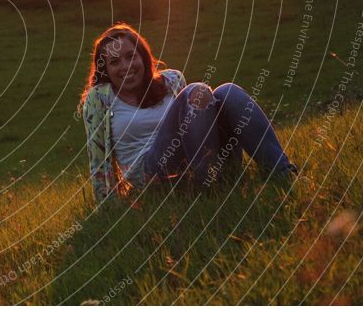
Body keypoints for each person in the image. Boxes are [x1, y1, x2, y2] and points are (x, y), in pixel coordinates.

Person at [79, 23, 298, 204]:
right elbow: (99, 160)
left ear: (142, 57)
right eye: (115, 62)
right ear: (104, 70)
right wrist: (108, 209)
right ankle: (212, 189)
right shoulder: (100, 98)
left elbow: (198, 123)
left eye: (130, 56)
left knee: (227, 91)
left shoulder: (172, 80)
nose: (126, 66)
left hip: (199, 163)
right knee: (197, 91)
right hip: (154, 174)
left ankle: (282, 173)